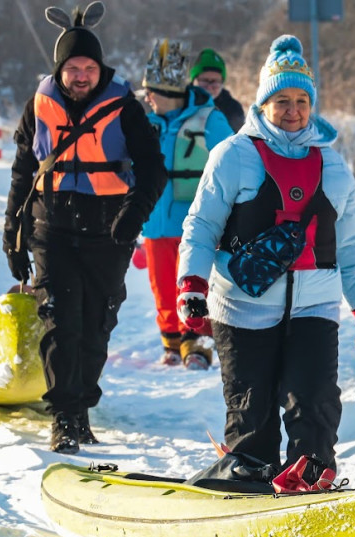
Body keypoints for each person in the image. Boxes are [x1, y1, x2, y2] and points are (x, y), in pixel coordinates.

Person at [178, 34, 355, 482]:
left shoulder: (334, 167)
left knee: (316, 404)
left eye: (302, 101)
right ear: (263, 104)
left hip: (315, 305)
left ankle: (310, 482)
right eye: (282, 100)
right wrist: (191, 285)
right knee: (253, 414)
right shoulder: (233, 156)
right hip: (242, 307)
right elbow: (202, 226)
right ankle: (247, 483)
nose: (293, 110)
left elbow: (351, 251)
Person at [2, 2, 167, 454]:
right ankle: (64, 417)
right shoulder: (39, 106)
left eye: (89, 68)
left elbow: (153, 169)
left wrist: (133, 215)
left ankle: (81, 411)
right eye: (73, 68)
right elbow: (22, 172)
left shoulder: (125, 108)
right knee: (60, 322)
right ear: (59, 70)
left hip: (108, 231)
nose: (81, 76)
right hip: (51, 227)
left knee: (97, 324)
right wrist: (12, 234)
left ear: (100, 69)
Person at [140, 38, 234, 369]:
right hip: (154, 224)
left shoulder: (209, 120)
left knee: (193, 286)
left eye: (151, 91)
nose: (147, 98)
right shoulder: (146, 123)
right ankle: (171, 341)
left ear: (169, 92)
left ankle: (197, 343)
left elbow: (233, 163)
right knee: (162, 289)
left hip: (195, 225)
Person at [190, 48, 245, 133]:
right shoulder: (180, 102)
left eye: (215, 82)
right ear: (194, 81)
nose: (209, 87)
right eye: (204, 81)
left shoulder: (233, 109)